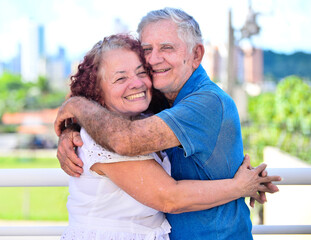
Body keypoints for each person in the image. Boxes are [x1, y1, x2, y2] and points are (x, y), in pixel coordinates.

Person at [55, 8, 281, 240]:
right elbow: (114, 126)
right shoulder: (162, 102)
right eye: (146, 50)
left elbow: (126, 139)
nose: (153, 60)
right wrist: (73, 128)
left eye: (167, 48)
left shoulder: (206, 102)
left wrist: (77, 107)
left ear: (196, 55)